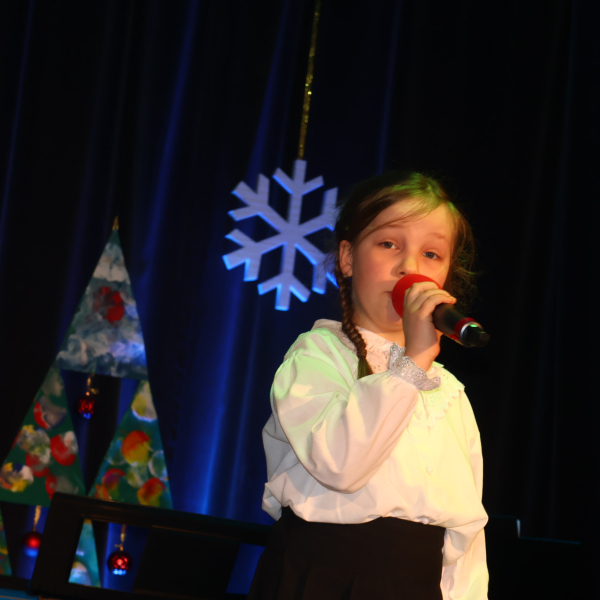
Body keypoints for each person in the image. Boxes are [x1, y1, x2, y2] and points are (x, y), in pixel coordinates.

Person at [248, 171, 488, 600]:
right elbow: (341, 464)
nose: (410, 267)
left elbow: (465, 533)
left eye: (431, 254)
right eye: (389, 244)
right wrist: (413, 361)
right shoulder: (318, 355)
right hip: (322, 577)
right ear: (347, 257)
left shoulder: (449, 392)